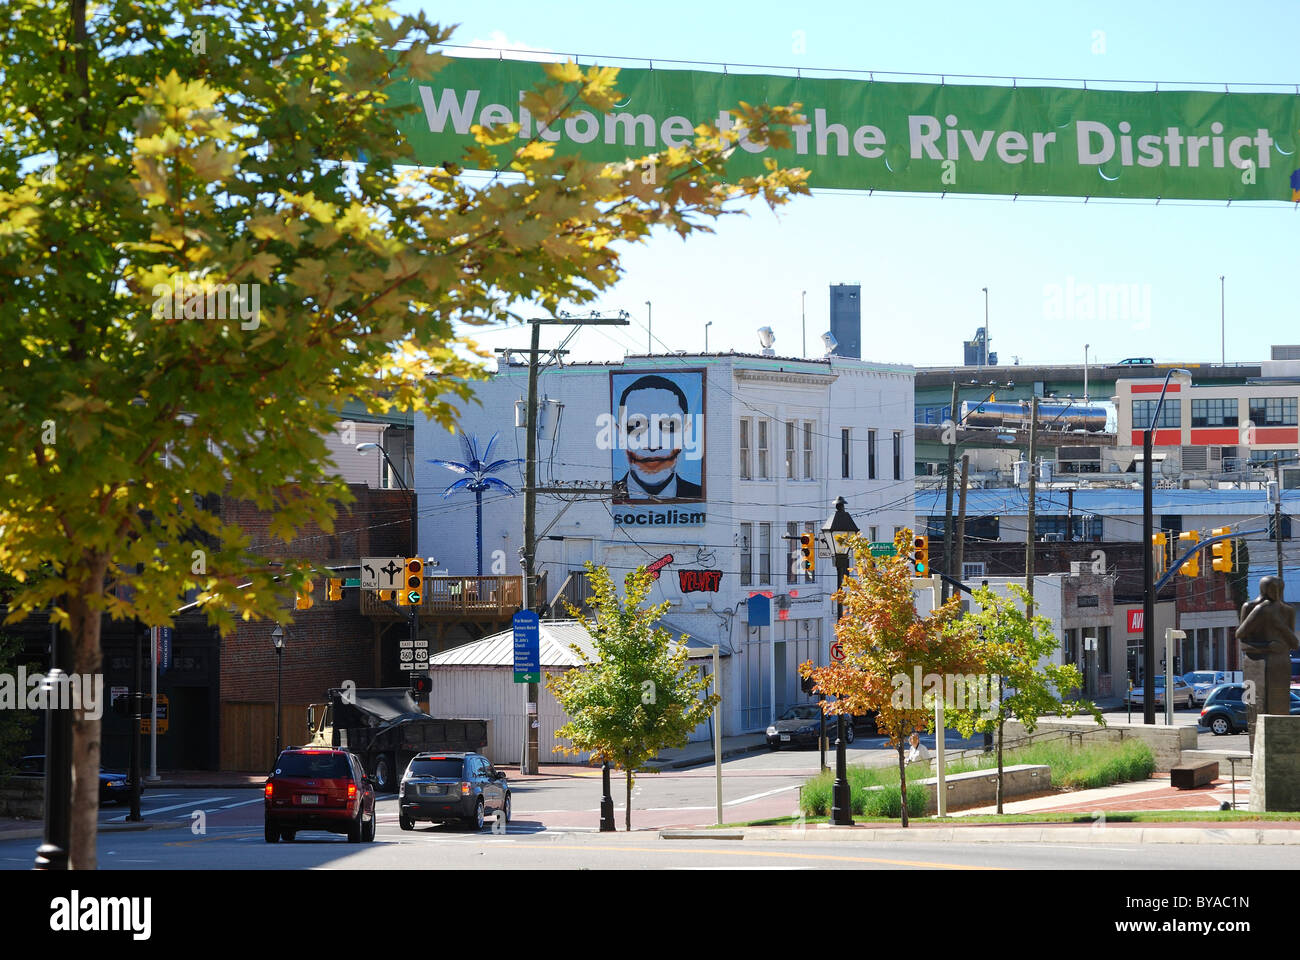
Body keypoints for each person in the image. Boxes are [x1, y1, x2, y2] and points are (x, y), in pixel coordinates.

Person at [613, 374, 703, 500]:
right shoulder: (603, 497)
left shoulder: (699, 496)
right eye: (636, 427)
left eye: (668, 427)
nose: (652, 445)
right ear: (620, 436)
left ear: (686, 433)